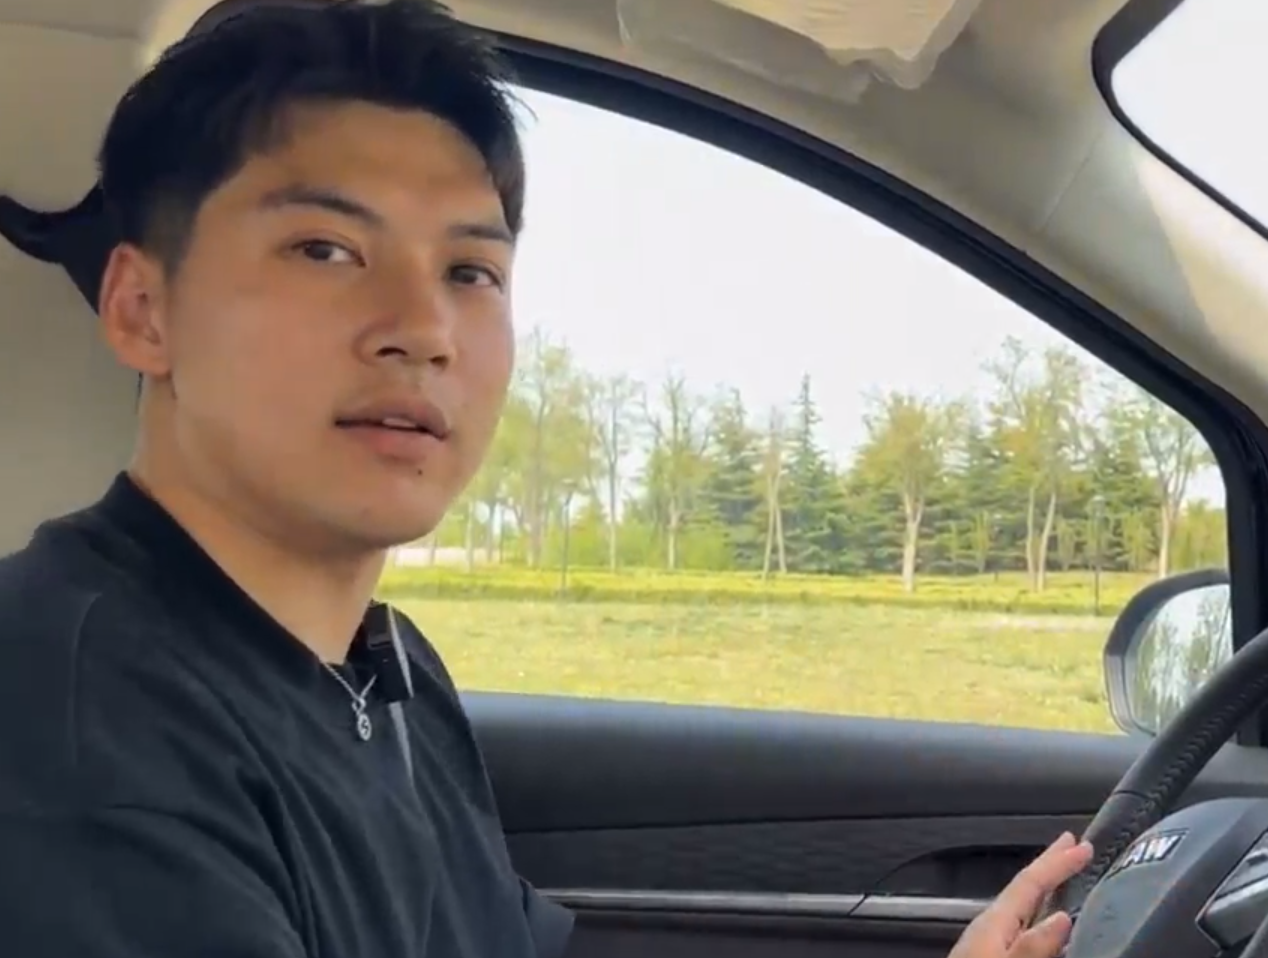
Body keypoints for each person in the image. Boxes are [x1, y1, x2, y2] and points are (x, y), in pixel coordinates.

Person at [0, 1, 1095, 956]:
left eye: (470, 271)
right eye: (326, 250)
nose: (424, 328)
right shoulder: (73, 726)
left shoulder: (383, 671)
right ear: (143, 310)